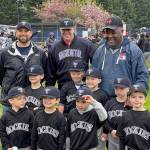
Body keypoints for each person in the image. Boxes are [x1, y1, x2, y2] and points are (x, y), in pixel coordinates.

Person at [92, 15, 149, 98]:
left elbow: (142, 76)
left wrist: (134, 96)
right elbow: (93, 74)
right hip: (102, 100)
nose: (110, 36)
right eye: (107, 32)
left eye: (113, 32)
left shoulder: (133, 51)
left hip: (125, 101)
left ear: (122, 31)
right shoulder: (99, 50)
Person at [0, 21, 47, 100]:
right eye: (20, 31)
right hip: (10, 99)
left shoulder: (40, 52)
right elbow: (1, 75)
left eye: (26, 31)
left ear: (31, 33)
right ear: (16, 32)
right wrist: (9, 87)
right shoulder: (5, 52)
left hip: (33, 99)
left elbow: (44, 73)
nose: (23, 33)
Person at [45, 18, 96, 89]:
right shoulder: (54, 47)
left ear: (74, 29)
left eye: (68, 29)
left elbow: (96, 64)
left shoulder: (86, 44)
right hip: (63, 86)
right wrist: (49, 88)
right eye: (63, 30)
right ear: (60, 30)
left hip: (83, 85)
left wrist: (92, 81)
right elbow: (50, 72)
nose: (66, 32)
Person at [101, 77, 131, 150]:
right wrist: (109, 130)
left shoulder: (131, 104)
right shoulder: (109, 103)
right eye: (116, 88)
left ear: (128, 89)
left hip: (127, 136)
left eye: (122, 88)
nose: (118, 91)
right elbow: (104, 119)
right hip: (112, 135)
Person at [117, 84, 150, 150]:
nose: (136, 100)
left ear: (145, 98)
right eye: (133, 97)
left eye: (140, 97)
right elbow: (121, 137)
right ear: (129, 98)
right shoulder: (125, 115)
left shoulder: (148, 117)